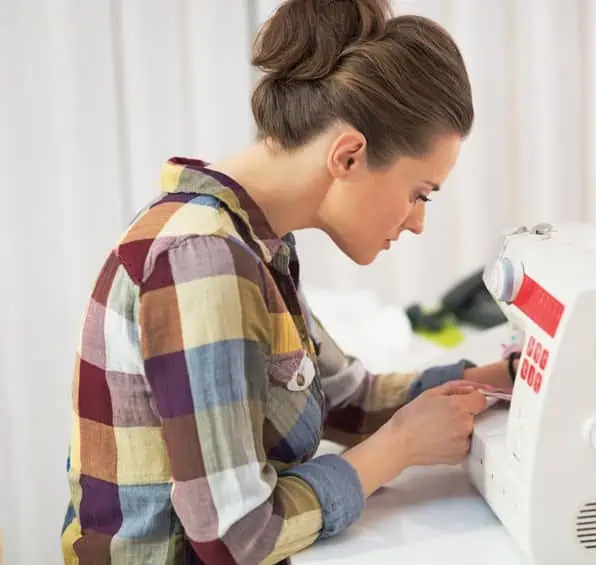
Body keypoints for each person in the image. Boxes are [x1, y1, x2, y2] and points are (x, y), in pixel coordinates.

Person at [61, 0, 517, 563]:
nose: (418, 221)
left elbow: (342, 398)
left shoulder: (252, 240)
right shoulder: (203, 261)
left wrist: (495, 378)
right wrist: (395, 449)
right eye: (419, 193)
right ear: (349, 155)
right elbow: (236, 536)